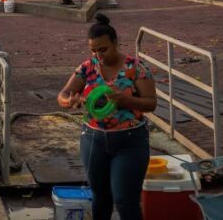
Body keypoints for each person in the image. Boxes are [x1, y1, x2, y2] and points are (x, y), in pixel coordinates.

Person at [57, 14, 157, 220]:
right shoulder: (87, 67)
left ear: (116, 42)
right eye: (94, 50)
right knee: (100, 199)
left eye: (103, 49)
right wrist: (71, 101)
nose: (98, 55)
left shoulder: (136, 68)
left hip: (130, 143)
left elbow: (151, 103)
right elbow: (63, 95)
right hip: (93, 140)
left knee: (124, 200)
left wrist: (125, 100)